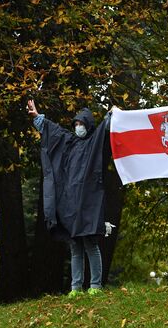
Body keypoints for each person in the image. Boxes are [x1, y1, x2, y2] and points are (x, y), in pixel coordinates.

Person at [27, 99, 113, 297]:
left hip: (88, 204)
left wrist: (112, 115)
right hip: (70, 205)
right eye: (76, 124)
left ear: (88, 125)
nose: (78, 127)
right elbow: (52, 131)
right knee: (75, 246)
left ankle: (95, 286)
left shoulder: (94, 142)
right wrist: (37, 116)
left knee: (91, 244)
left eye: (81, 124)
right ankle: (75, 288)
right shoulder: (70, 142)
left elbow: (105, 129)